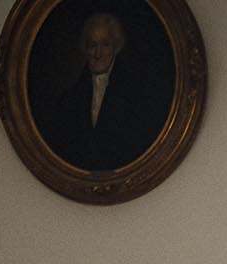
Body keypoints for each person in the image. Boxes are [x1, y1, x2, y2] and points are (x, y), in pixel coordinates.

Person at [39, 12, 165, 173]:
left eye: (105, 45)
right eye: (93, 45)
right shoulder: (69, 99)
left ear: (116, 48)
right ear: (86, 49)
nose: (98, 54)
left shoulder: (135, 94)